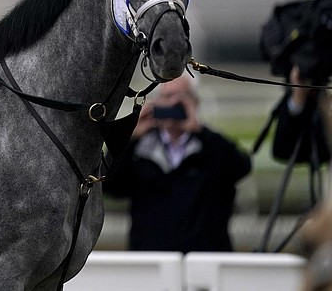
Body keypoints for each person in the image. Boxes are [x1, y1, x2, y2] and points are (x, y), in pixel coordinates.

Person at [103, 74, 252, 253]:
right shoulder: (140, 150)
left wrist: (200, 131)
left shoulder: (211, 146)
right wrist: (130, 138)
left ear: (195, 103)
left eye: (182, 97)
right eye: (167, 97)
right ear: (156, 103)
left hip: (204, 260)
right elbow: (108, 185)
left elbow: (241, 167)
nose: (174, 103)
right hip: (152, 260)